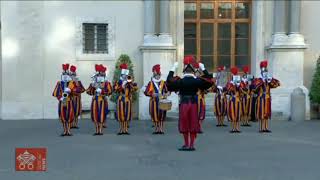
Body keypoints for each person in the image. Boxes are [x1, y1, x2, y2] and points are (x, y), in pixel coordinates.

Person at [167, 56, 214, 151]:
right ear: (193, 72)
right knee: (192, 123)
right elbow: (210, 81)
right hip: (193, 104)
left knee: (184, 124)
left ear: (184, 71)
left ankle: (186, 144)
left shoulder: (180, 81)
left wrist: (172, 69)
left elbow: (169, 81)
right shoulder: (197, 81)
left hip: (184, 103)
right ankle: (191, 145)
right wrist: (203, 69)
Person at [251, 60, 280, 133]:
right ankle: (261, 128)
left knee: (267, 113)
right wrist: (262, 81)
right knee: (261, 113)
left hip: (267, 98)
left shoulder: (268, 80)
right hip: (261, 99)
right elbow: (254, 88)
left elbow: (277, 84)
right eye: (264, 71)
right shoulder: (258, 79)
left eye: (266, 71)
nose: (265, 73)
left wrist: (270, 80)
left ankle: (266, 127)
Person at [87, 64, 112, 135]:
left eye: (101, 73)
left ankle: (100, 130)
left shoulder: (106, 83)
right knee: (95, 115)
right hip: (95, 100)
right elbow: (88, 91)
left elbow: (110, 91)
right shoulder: (93, 82)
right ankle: (96, 130)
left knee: (101, 115)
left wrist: (102, 91)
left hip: (102, 100)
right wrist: (92, 87)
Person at [114, 63, 138, 135]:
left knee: (127, 114)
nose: (125, 76)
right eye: (123, 75)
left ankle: (126, 129)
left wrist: (131, 85)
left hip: (127, 99)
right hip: (121, 99)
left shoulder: (129, 82)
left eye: (126, 75)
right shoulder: (119, 82)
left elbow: (134, 89)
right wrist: (121, 87)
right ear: (121, 75)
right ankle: (121, 129)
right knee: (121, 115)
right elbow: (115, 89)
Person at [144, 64, 169, 134]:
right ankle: (156, 128)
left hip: (162, 100)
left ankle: (161, 129)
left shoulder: (163, 83)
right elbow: (146, 92)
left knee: (162, 115)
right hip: (154, 101)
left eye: (158, 75)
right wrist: (152, 94)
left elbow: (167, 92)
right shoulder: (151, 83)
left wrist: (166, 94)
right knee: (154, 115)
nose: (157, 77)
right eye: (156, 75)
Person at [52, 63, 76, 136]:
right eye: (64, 73)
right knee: (63, 116)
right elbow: (55, 93)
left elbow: (76, 91)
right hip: (62, 102)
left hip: (69, 101)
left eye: (66, 73)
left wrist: (71, 90)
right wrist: (60, 98)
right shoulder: (59, 83)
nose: (65, 75)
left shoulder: (71, 83)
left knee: (69, 116)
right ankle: (65, 131)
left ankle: (68, 131)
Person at [225, 67, 246, 133]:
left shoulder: (240, 82)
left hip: (237, 99)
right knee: (232, 114)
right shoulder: (229, 83)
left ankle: (237, 128)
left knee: (237, 114)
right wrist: (232, 85)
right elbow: (227, 90)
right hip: (232, 99)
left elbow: (243, 90)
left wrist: (238, 85)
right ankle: (233, 128)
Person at [194, 62, 207, 133]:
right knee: (195, 114)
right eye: (196, 73)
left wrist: (205, 90)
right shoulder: (192, 81)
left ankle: (199, 127)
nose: (197, 74)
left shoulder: (202, 80)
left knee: (201, 114)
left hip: (201, 99)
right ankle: (196, 127)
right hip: (194, 99)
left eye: (198, 73)